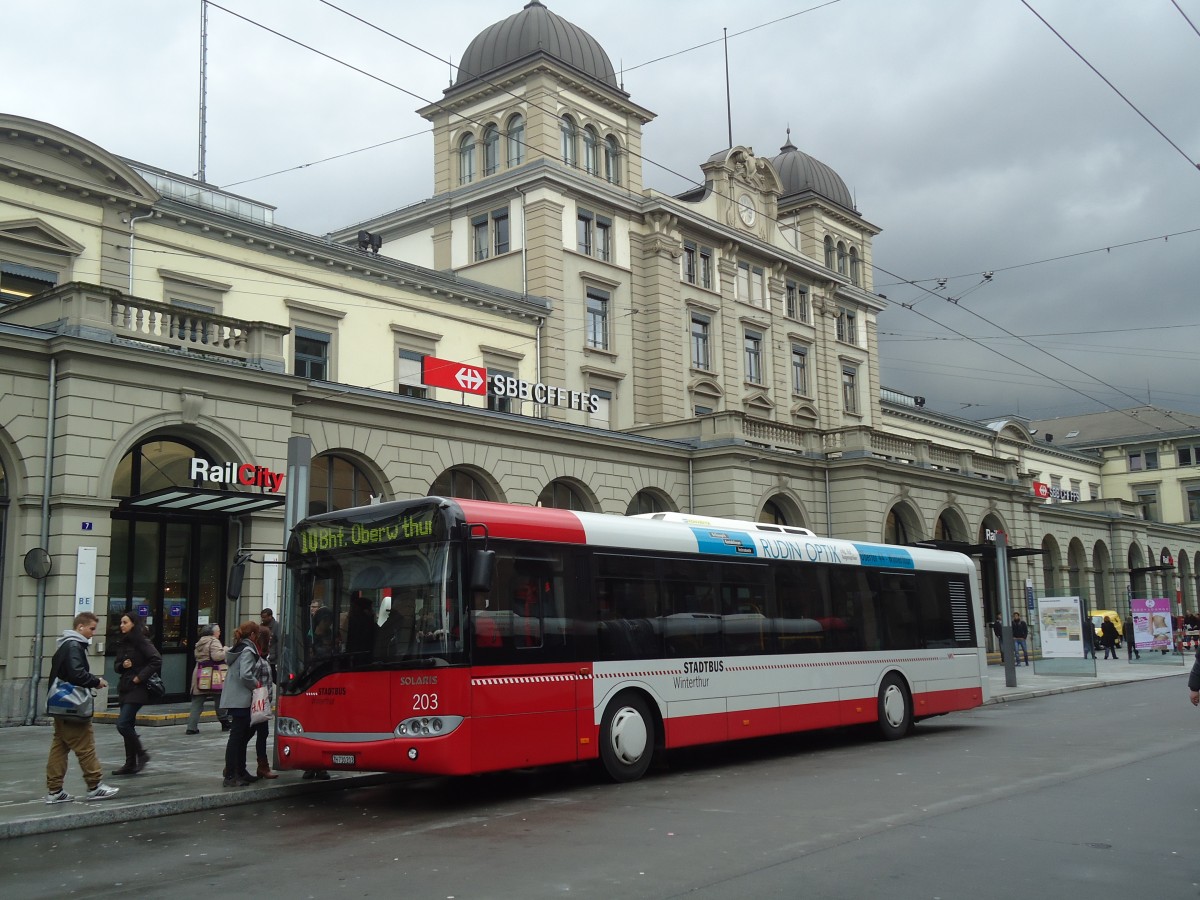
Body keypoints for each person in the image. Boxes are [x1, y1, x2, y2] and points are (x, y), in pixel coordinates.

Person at [44, 612, 120, 803]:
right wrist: (96, 681)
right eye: (91, 628)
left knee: (59, 746)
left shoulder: (65, 644)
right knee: (85, 745)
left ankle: (55, 791)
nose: (93, 633)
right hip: (73, 707)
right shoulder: (74, 646)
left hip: (61, 705)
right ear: (80, 627)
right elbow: (77, 674)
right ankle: (95, 785)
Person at [220, 620, 269, 787]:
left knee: (239, 737)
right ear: (253, 635)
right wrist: (257, 685)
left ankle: (240, 771)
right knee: (237, 737)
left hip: (235, 698)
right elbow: (246, 675)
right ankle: (232, 775)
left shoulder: (238, 648)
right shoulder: (248, 650)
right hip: (241, 699)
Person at [111, 611, 161, 776]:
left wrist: (140, 677)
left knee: (123, 724)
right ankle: (130, 763)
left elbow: (156, 659)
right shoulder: (123, 642)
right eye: (121, 622)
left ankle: (141, 754)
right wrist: (122, 666)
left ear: (133, 623)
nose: (121, 625)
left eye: (125, 622)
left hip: (137, 688)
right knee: (128, 725)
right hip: (125, 687)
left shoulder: (142, 641)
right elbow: (116, 665)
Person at [186, 623, 231, 734]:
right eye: (218, 631)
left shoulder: (200, 641)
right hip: (214, 674)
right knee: (219, 699)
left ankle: (191, 727)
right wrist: (225, 649)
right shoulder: (214, 641)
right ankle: (225, 722)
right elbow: (217, 656)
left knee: (197, 702)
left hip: (200, 673)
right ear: (213, 632)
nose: (219, 633)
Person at [249, 628, 279, 780]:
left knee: (261, 734)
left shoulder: (264, 656)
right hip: (257, 703)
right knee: (253, 734)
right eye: (270, 637)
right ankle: (262, 766)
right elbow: (249, 677)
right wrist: (259, 687)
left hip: (263, 702)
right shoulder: (256, 656)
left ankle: (262, 766)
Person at [259, 608, 279, 683]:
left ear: (270, 616)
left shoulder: (276, 626)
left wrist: (277, 656)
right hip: (263, 655)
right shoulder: (261, 626)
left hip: (272, 657)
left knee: (274, 676)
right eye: (262, 617)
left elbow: (279, 642)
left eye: (264, 617)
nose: (262, 619)